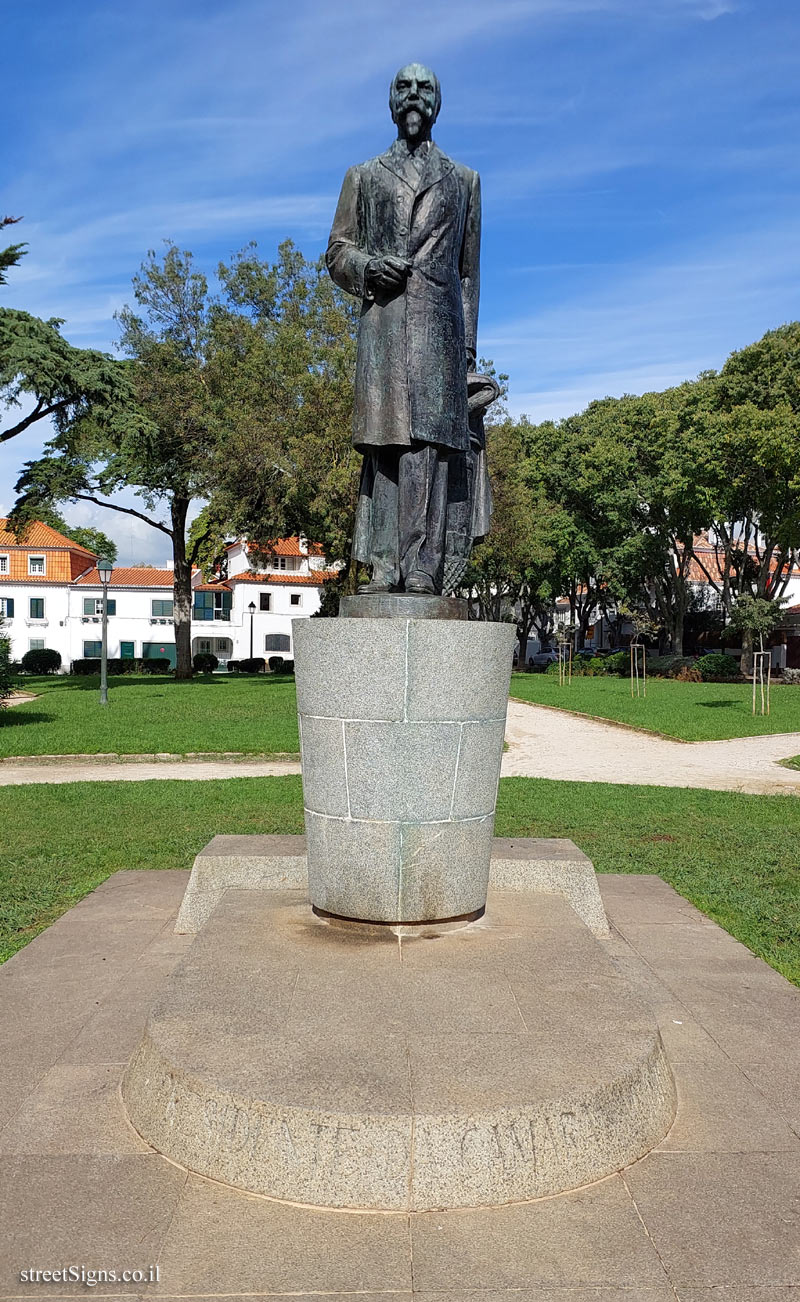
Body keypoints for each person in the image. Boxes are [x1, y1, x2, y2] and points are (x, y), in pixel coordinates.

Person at [326, 63, 487, 595]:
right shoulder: (364, 175)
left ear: (438, 103)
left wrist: (467, 349)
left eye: (425, 89)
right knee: (386, 444)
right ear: (390, 101)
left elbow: (469, 271)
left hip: (439, 330)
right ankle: (381, 564)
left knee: (428, 448)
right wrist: (368, 267)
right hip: (385, 327)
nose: (413, 96)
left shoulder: (464, 180)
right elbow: (337, 251)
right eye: (403, 88)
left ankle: (422, 564)